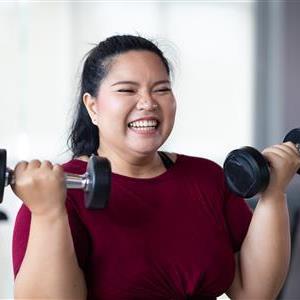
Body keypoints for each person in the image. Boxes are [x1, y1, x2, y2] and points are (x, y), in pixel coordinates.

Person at [12, 35, 300, 300]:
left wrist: (273, 194)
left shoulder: (206, 178)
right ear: (93, 106)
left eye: (161, 89)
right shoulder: (54, 194)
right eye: (127, 90)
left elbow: (253, 292)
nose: (148, 103)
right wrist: (49, 214)